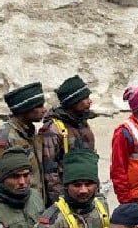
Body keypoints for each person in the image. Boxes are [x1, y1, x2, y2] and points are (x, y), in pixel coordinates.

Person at [0, 82, 46, 206]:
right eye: (39, 106)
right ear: (25, 109)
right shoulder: (5, 138)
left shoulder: (31, 134)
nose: (44, 110)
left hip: (34, 205)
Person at [41, 75, 99, 205]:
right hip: (67, 199)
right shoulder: (54, 130)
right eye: (85, 98)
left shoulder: (84, 125)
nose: (89, 101)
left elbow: (91, 162)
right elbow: (50, 172)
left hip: (87, 196)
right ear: (73, 102)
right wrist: (60, 202)